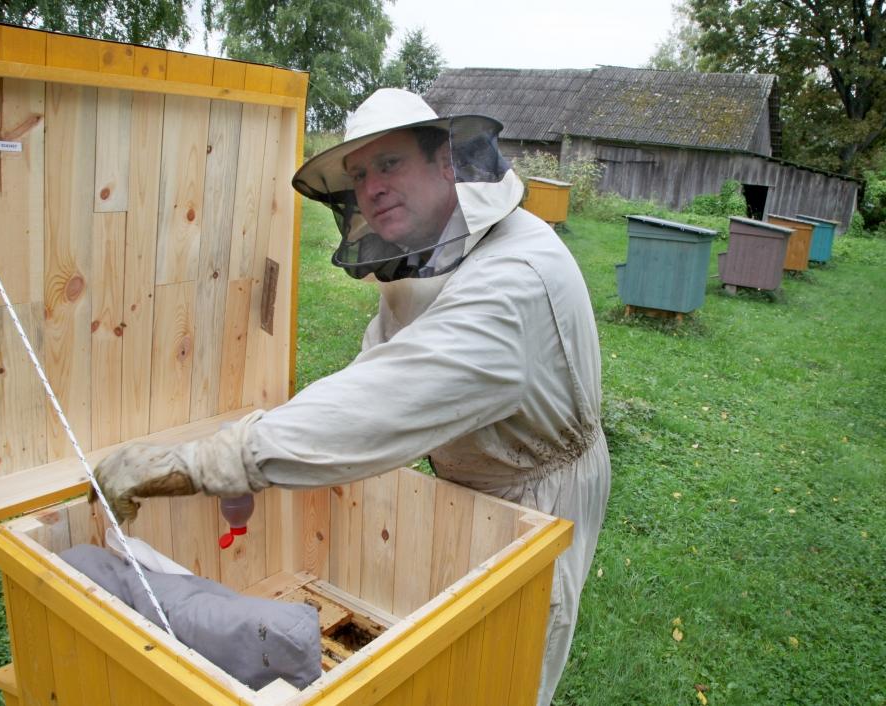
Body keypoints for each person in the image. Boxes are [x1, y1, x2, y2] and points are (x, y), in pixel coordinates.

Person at [93, 88, 611, 705]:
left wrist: (208, 462)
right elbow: (369, 374)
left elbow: (383, 403)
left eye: (388, 164)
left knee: (506, 665)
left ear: (447, 161)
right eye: (360, 174)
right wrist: (259, 451)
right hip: (476, 474)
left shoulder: (514, 282)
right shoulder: (436, 252)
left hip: (536, 489)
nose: (371, 188)